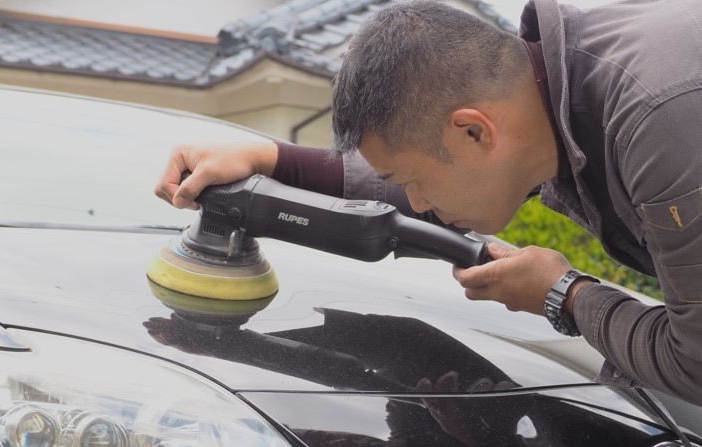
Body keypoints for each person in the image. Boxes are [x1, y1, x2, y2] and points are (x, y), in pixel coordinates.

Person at [154, 0, 702, 407]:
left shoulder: (661, 117)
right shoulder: (558, 97)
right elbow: (401, 192)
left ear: (473, 132)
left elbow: (694, 362)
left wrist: (566, 294)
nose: (414, 202)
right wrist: (269, 157)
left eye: (413, 179)